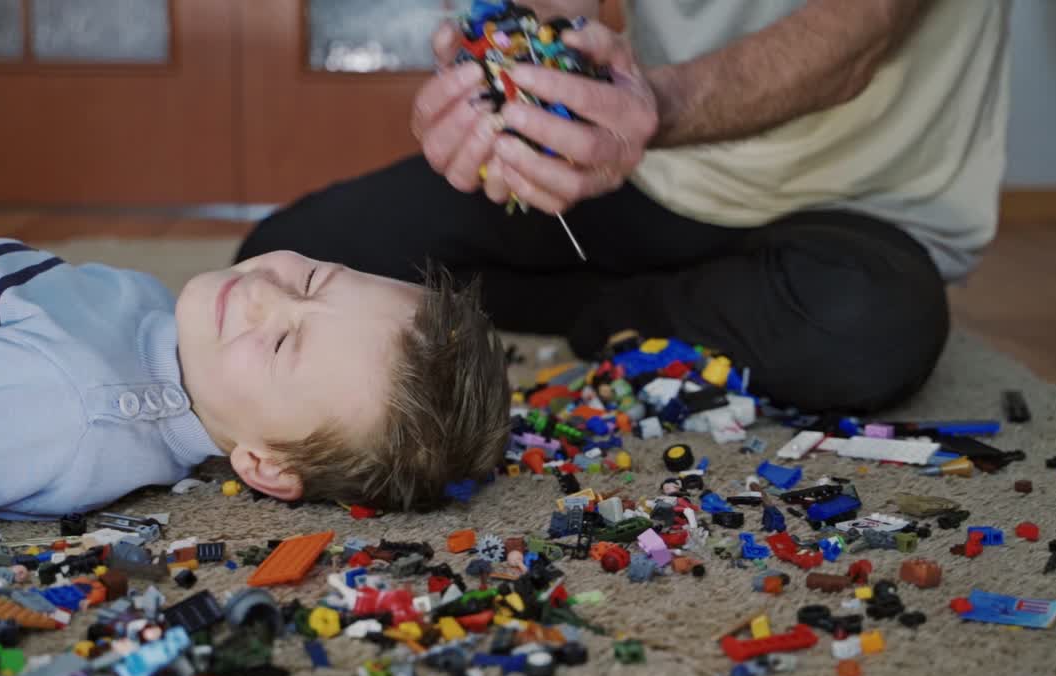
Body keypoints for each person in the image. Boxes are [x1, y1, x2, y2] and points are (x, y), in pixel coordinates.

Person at [236, 0, 1010, 413]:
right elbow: (554, 14)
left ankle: (617, 306)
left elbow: (859, 35)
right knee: (292, 250)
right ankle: (647, 310)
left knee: (865, 335)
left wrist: (650, 105)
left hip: (857, 204)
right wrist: (518, 69)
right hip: (642, 168)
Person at [0, 231, 510, 521]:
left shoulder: (65, 408)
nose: (266, 294)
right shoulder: (171, 335)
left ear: (264, 464)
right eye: (315, 277)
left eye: (286, 345)